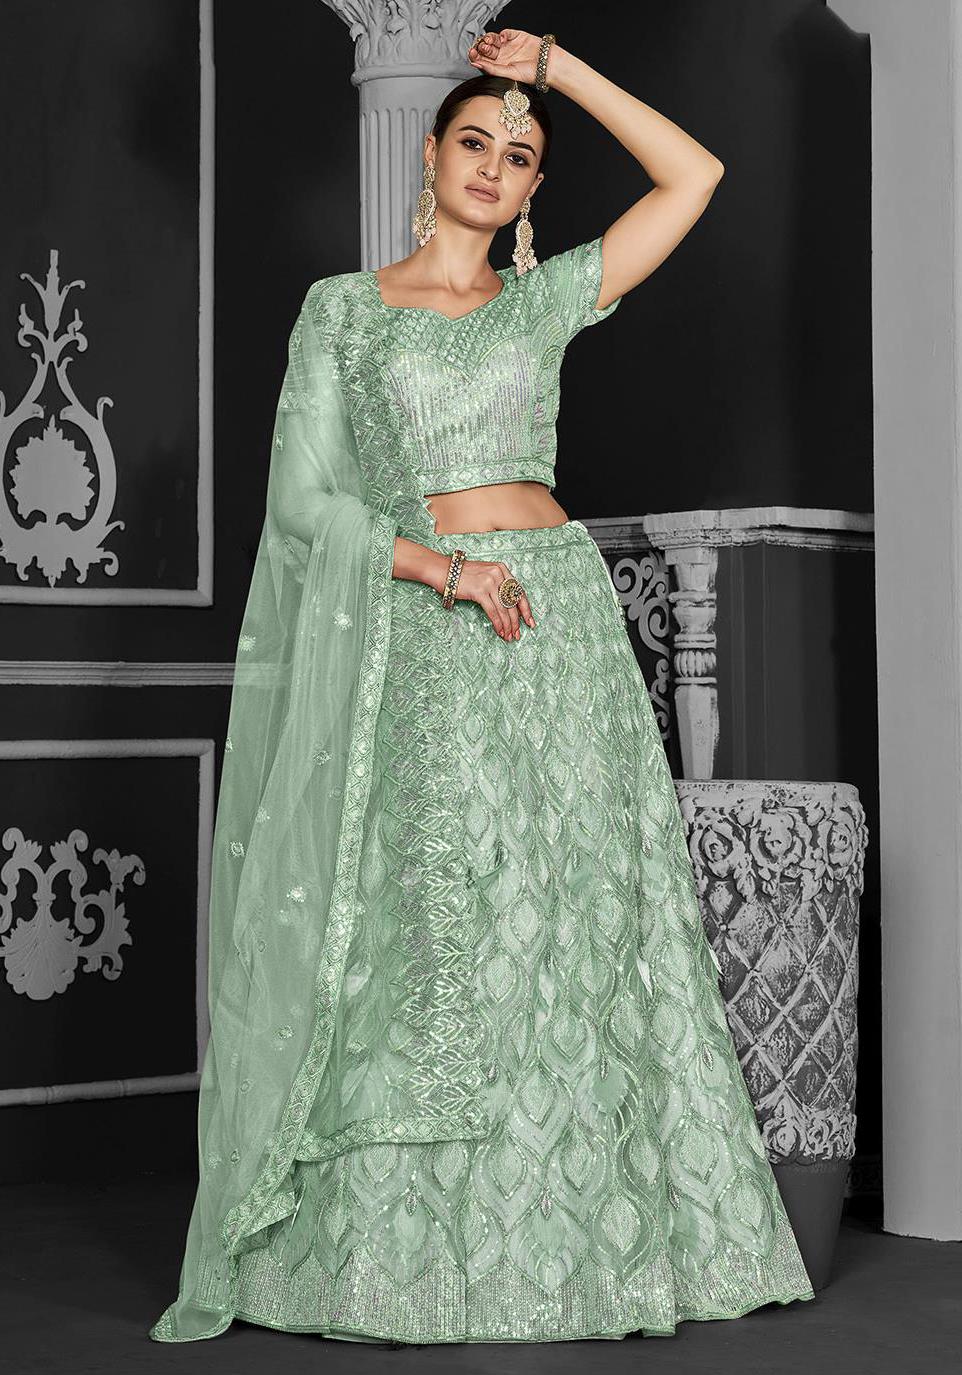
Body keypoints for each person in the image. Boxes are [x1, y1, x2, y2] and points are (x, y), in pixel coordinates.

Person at [149, 28, 815, 1345]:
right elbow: (302, 506)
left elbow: (694, 176)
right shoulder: (345, 311)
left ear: (530, 190)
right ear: (432, 156)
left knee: (570, 915)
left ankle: (581, 1247)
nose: (494, 166)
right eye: (475, 141)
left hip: (557, 626)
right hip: (430, 622)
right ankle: (414, 1258)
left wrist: (558, 72)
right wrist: (439, 571)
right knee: (440, 922)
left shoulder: (541, 301)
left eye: (519, 157)